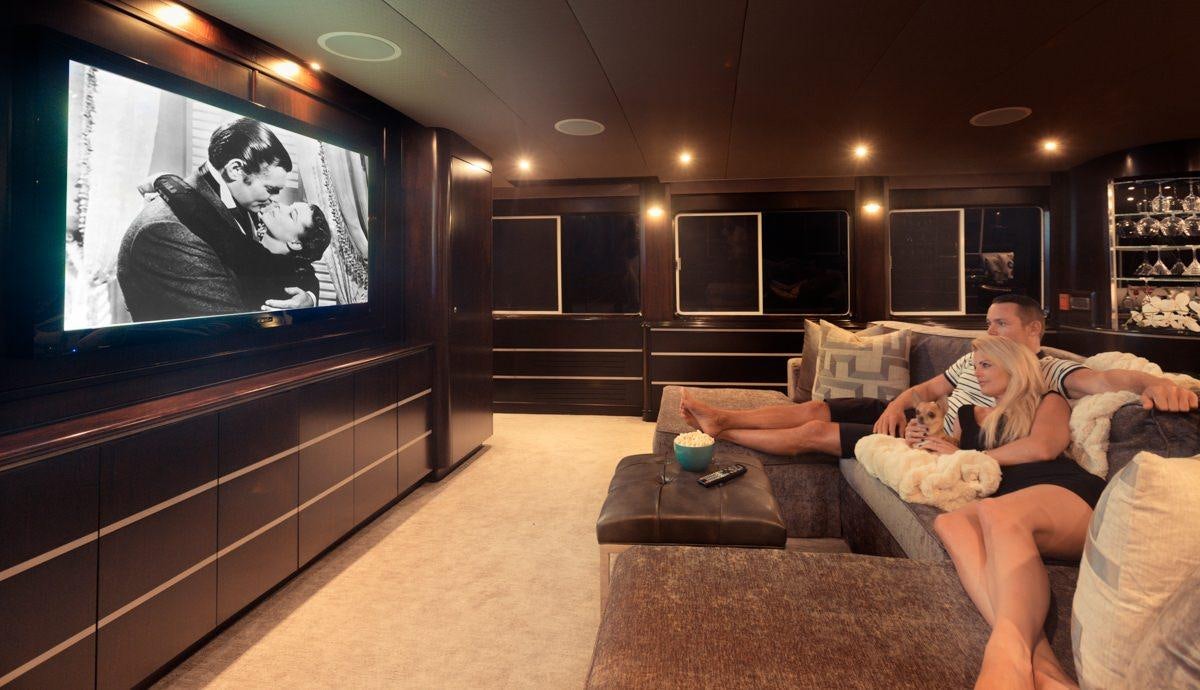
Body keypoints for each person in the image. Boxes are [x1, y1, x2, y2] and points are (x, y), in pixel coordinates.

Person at [679, 294, 1198, 458]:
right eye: (988, 321)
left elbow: (1106, 382)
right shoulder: (974, 361)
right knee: (816, 408)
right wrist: (892, 405)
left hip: (935, 438)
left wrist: (1152, 384)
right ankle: (723, 416)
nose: (990, 329)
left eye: (1001, 323)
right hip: (912, 415)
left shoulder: (1049, 369)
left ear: (1034, 328)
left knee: (816, 434)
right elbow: (928, 390)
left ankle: (723, 432)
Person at [925, 335, 1104, 689]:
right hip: (1006, 501)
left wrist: (969, 459)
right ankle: (1045, 669)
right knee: (949, 522)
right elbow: (951, 452)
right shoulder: (966, 415)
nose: (977, 372)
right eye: (975, 365)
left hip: (1063, 491)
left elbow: (1043, 447)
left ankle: (1004, 658)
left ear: (1014, 366)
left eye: (986, 364)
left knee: (996, 513)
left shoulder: (1046, 400)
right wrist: (929, 441)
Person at [118, 117, 316, 321]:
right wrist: (287, 320)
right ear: (236, 169)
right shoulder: (167, 231)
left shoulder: (247, 202)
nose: (273, 201)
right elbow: (235, 328)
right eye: (270, 189)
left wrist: (309, 298)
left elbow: (295, 264)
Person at [150, 173, 330, 311]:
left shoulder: (262, 261)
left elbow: (205, 218)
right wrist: (311, 298)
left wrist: (161, 179)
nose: (278, 205)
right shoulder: (293, 269)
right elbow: (309, 277)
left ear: (296, 243)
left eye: (292, 215)